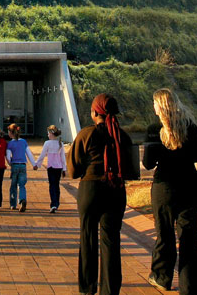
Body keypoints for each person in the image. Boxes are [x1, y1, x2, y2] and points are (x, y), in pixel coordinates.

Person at [142, 88, 197, 295]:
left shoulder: (154, 130)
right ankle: (190, 287)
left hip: (164, 188)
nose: (153, 107)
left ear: (160, 106)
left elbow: (148, 163)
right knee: (189, 239)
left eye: (154, 103)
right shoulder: (191, 127)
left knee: (165, 235)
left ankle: (162, 276)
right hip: (189, 185)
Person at [70, 93, 134, 295]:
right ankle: (110, 289)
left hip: (90, 189)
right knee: (111, 240)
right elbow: (131, 170)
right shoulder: (123, 136)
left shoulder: (86, 134)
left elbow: (73, 170)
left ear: (95, 112)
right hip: (115, 190)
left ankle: (88, 288)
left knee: (87, 238)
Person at [36, 124, 68, 213]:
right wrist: (64, 169)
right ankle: (56, 204)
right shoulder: (60, 143)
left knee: (52, 185)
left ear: (51, 133)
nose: (48, 135)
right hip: (59, 167)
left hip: (51, 167)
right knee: (56, 185)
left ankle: (53, 204)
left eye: (48, 133)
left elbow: (42, 155)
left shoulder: (47, 143)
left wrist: (37, 164)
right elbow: (63, 157)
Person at [6, 123, 35, 211]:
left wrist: (10, 163)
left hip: (14, 165)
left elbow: (8, 156)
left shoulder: (10, 144)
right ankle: (22, 199)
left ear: (11, 133)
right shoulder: (23, 142)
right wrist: (34, 164)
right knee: (22, 185)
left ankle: (13, 204)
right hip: (23, 165)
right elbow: (29, 154)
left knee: (13, 185)